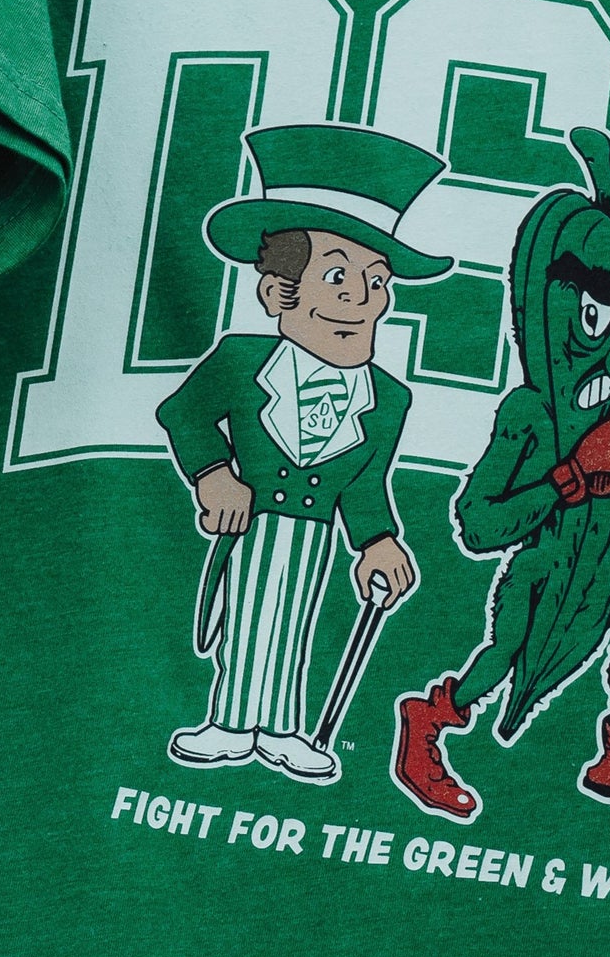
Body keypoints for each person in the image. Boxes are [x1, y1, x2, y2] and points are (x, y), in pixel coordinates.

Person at [157, 122, 451, 782]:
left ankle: (282, 729)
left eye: (377, 281)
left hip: (314, 533)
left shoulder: (388, 399)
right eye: (337, 276)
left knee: (292, 623)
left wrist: (378, 542)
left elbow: (366, 485)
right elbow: (183, 414)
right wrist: (213, 475)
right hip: (253, 524)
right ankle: (230, 723)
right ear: (277, 294)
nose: (361, 300)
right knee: (248, 619)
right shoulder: (241, 359)